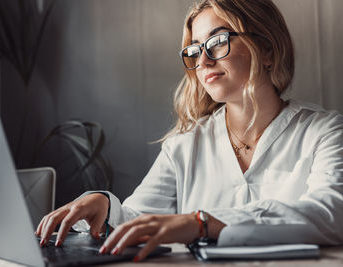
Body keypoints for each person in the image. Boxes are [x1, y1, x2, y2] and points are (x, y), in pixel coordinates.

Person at [36, 0, 343, 262]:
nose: (204, 60)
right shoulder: (184, 145)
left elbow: (330, 213)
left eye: (218, 41)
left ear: (266, 49)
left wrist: (201, 223)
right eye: (195, 50)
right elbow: (139, 220)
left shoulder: (326, 131)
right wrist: (104, 205)